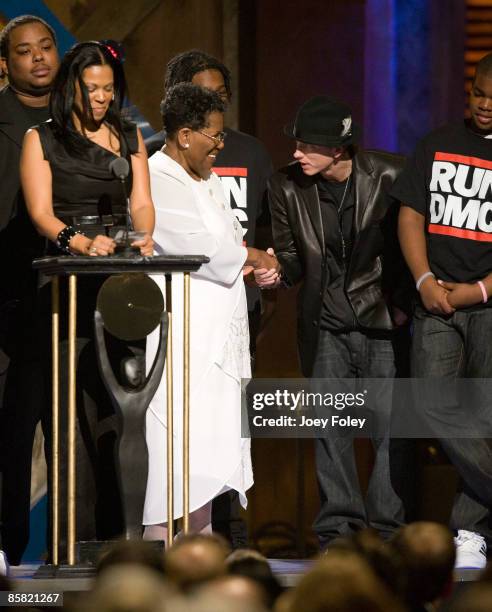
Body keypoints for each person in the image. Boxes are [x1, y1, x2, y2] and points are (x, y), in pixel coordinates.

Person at [20, 41, 154, 559]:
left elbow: (141, 203)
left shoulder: (128, 135)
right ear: (71, 86)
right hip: (67, 285)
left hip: (122, 290)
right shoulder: (43, 138)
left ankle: (125, 544)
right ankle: (74, 545)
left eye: (107, 89)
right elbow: (41, 213)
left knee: (123, 413)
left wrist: (141, 237)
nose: (100, 99)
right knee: (71, 415)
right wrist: (79, 243)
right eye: (91, 88)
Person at [260, 96, 411, 548]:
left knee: (389, 431)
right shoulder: (285, 187)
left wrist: (405, 302)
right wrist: (273, 270)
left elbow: (412, 245)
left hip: (383, 319)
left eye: (307, 145)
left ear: (339, 150)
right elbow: (290, 258)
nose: (296, 153)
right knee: (331, 430)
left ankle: (386, 532)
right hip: (325, 324)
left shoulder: (391, 175)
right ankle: (339, 534)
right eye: (297, 143)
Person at [146, 51, 274, 547]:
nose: (222, 144)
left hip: (220, 341)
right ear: (183, 136)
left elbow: (230, 244)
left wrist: (251, 262)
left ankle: (198, 551)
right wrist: (252, 257)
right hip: (184, 341)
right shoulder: (159, 175)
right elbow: (205, 247)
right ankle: (159, 556)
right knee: (175, 447)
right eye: (214, 136)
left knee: (208, 451)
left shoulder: (212, 179)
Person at [393, 52, 492, 569]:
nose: (484, 106)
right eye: (479, 94)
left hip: (488, 303)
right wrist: (424, 279)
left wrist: (478, 290)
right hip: (435, 301)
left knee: (484, 415)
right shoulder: (437, 144)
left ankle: (471, 531)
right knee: (432, 403)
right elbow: (411, 214)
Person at [0, 14, 60, 566]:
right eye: (25, 51)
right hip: (7, 300)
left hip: (70, 302)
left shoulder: (82, 119)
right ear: (5, 63)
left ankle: (77, 552)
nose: (39, 57)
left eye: (46, 47)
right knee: (11, 439)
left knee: (72, 436)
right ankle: (9, 558)